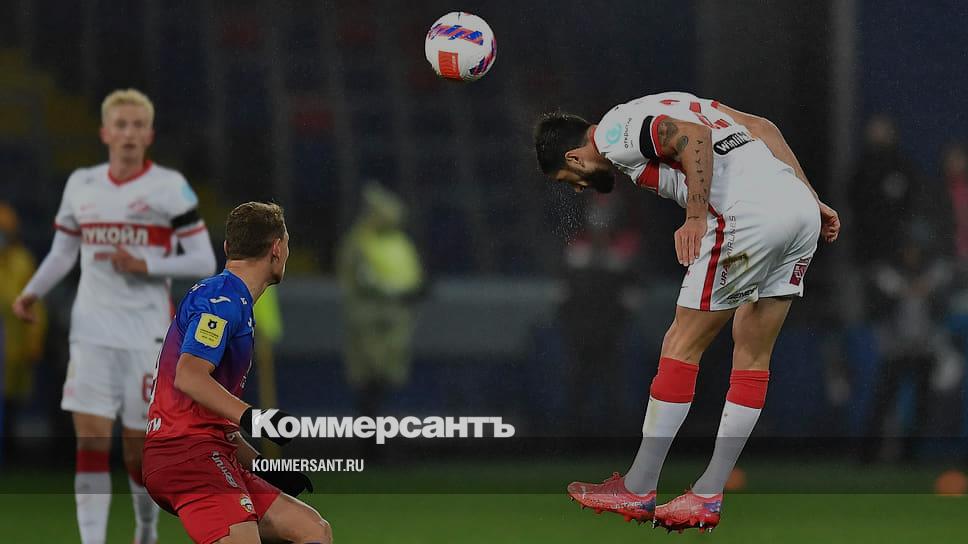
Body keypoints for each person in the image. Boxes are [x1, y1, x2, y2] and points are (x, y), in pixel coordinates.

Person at [533, 91, 840, 532]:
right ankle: (708, 493)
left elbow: (692, 138)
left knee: (681, 342)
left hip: (747, 215)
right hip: (796, 209)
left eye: (569, 178)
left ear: (575, 157)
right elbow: (763, 128)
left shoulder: (614, 134)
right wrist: (810, 197)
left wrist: (695, 217)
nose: (578, 187)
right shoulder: (669, 102)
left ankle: (639, 486)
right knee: (752, 353)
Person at [10, 89, 217, 544]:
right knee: (89, 440)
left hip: (147, 334)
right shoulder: (81, 185)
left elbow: (203, 258)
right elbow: (63, 251)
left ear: (150, 134)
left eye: (137, 126)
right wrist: (31, 292)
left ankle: (146, 529)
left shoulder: (168, 187)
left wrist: (147, 264)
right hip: (91, 331)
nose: (129, 134)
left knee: (137, 448)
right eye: (121, 125)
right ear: (105, 133)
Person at [142, 202, 331, 544]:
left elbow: (213, 421)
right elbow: (189, 375)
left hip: (209, 451)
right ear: (277, 248)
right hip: (186, 456)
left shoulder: (232, 299)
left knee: (311, 530)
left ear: (229, 247)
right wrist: (254, 418)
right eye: (287, 244)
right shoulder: (223, 300)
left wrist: (264, 467)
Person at [336, 183, 424, 420]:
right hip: (369, 319)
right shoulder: (359, 240)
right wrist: (393, 291)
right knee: (369, 375)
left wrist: (414, 289)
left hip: (397, 318)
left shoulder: (399, 240)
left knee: (391, 375)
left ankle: (387, 425)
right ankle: (370, 429)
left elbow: (410, 271)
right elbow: (363, 278)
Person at [0, 202, 48, 462]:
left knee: (12, 403)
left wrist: (34, 340)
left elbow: (35, 306)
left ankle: (10, 455)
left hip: (15, 346)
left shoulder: (21, 261)